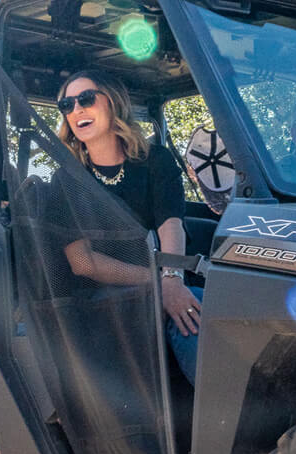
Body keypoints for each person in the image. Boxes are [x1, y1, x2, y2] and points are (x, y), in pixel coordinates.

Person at [48, 69, 204, 381]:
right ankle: (219, 419)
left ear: (112, 103)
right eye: (67, 106)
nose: (77, 110)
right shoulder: (66, 180)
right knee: (189, 309)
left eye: (86, 99)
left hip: (157, 279)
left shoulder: (154, 160)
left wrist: (172, 278)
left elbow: (170, 223)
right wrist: (159, 284)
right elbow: (82, 263)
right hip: (102, 297)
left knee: (212, 301)